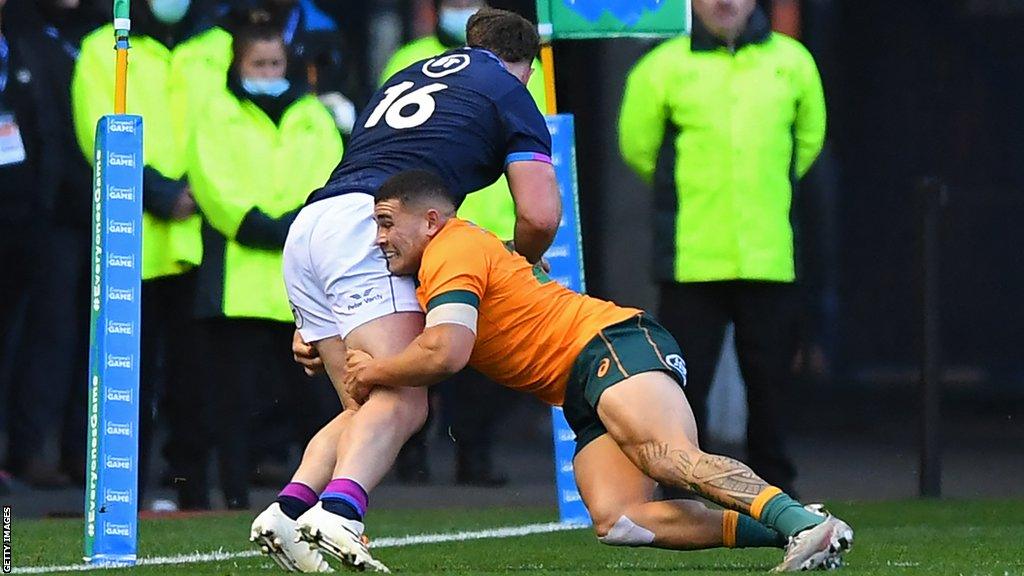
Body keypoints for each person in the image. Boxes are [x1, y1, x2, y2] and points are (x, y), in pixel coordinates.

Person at [340, 170, 853, 573]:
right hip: (581, 386)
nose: (379, 238)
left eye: (386, 222)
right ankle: (798, 523)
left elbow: (445, 352)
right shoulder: (438, 262)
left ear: (430, 220)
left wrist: (374, 370)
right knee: (622, 521)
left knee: (669, 459)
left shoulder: (450, 247)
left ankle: (801, 522)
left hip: (610, 346)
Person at [248, 8, 560, 573]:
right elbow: (539, 215)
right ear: (527, 68)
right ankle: (341, 513)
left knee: (367, 405)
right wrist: (525, 266)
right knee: (405, 393)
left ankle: (288, 512)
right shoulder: (509, 90)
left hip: (314, 225)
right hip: (370, 229)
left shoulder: (408, 72)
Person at [618, 0, 826, 494]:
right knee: (686, 385)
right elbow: (637, 146)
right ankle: (685, 487)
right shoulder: (662, 66)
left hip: (769, 253)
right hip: (692, 257)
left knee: (771, 385)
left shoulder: (793, 61)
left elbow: (809, 141)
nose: (725, 2)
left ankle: (777, 492)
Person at [379, 0, 549, 487]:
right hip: (430, 232)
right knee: (421, 343)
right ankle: (410, 455)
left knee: (479, 356)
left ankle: (473, 451)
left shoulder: (420, 68)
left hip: (487, 233)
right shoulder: (411, 58)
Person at [72, 0, 230, 508]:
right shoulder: (102, 48)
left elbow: (232, 130)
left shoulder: (217, 45)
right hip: (128, 237)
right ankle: (122, 496)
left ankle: (192, 492)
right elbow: (95, 130)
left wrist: (202, 191)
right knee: (124, 374)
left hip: (200, 239)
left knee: (198, 375)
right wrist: (162, 194)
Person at [186, 15, 344, 509]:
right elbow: (212, 178)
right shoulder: (217, 112)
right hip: (238, 286)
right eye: (259, 63)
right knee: (232, 401)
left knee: (311, 401)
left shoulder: (312, 114)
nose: (269, 70)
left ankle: (318, 497)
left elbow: (331, 170)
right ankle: (233, 493)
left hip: (299, 287)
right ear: (238, 63)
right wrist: (258, 224)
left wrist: (297, 221)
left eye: (275, 62)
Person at [0, 0, 97, 488]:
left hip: (34, 216)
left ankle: (28, 452)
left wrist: (44, 203)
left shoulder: (29, 42)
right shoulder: (26, 33)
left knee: (42, 337)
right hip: (36, 214)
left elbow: (49, 131)